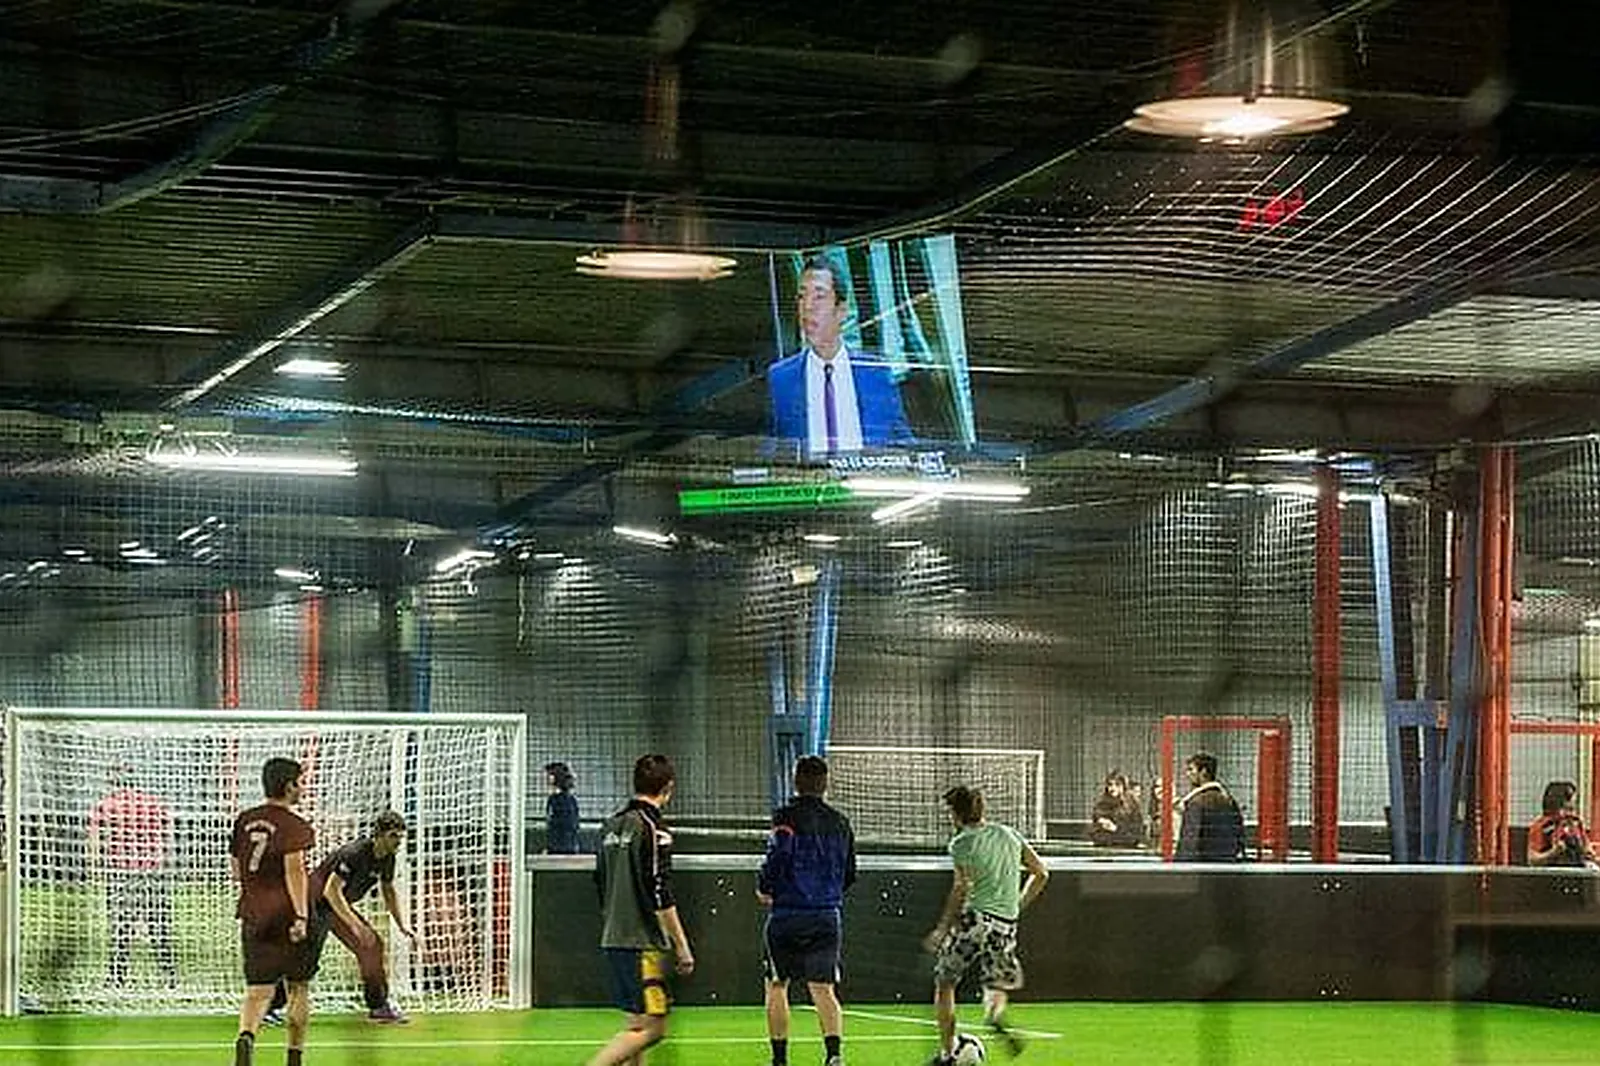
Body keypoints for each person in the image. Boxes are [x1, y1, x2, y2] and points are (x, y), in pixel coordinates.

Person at [924, 785, 1050, 1065]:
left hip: (975, 919)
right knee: (996, 983)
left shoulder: (961, 843)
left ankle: (947, 1054)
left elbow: (961, 887)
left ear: (955, 814)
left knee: (945, 982)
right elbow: (1041, 872)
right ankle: (994, 1015)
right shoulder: (1009, 834)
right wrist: (1017, 904)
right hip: (1005, 925)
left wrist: (943, 927)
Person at [586, 754, 695, 1066]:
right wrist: (682, 945)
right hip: (642, 942)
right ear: (668, 788)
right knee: (655, 1028)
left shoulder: (610, 826)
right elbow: (660, 890)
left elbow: (600, 883)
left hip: (613, 937)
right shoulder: (653, 828)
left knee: (636, 1026)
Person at [264, 811, 417, 1025]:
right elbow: (331, 891)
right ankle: (267, 1006)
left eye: (401, 837)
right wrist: (354, 924)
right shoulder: (354, 853)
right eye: (393, 836)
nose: (398, 842)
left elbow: (388, 889)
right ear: (379, 835)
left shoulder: (388, 858)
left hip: (337, 907)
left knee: (371, 946)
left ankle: (379, 1006)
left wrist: (402, 925)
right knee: (304, 960)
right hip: (314, 903)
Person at [757, 755, 857, 1066]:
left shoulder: (785, 818)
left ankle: (780, 1059)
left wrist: (765, 886)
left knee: (776, 984)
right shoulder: (841, 823)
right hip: (826, 914)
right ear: (825, 784)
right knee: (824, 988)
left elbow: (779, 855)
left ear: (796, 781)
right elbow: (850, 872)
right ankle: (833, 1055)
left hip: (787, 913)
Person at [767, 255, 914, 459]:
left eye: (819, 296)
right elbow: (771, 453)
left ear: (842, 310)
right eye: (802, 296)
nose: (807, 307)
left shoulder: (876, 373)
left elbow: (903, 445)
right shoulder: (781, 378)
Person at [230, 757, 316, 1066]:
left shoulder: (244, 819)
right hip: (287, 915)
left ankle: (246, 1037)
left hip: (254, 914)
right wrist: (302, 916)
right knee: (298, 987)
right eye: (300, 782)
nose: (302, 788)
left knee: (257, 991)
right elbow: (295, 872)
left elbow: (237, 868)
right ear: (289, 785)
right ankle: (294, 1057)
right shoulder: (295, 825)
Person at [87, 764, 178, 989]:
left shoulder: (106, 806)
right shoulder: (154, 804)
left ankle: (117, 977)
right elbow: (168, 837)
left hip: (121, 873)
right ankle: (169, 976)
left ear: (113, 782)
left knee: (120, 927)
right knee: (159, 926)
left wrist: (95, 869)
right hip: (152, 873)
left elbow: (95, 840)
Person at [1175, 752, 1245, 862]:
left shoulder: (1196, 802)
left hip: (1201, 868)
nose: (1187, 774)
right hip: (1226, 865)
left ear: (1203, 771)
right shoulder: (1228, 800)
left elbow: (1189, 844)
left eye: (1191, 769)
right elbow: (1239, 834)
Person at [1528, 780, 1598, 867]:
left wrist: (1590, 856)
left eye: (1572, 809)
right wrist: (1553, 853)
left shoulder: (1576, 823)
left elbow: (1588, 851)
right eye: (1566, 809)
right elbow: (1532, 860)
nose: (1570, 814)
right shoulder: (1542, 826)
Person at [1089, 770, 1147, 847]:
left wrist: (1116, 829)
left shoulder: (1132, 806)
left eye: (1117, 785)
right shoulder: (1101, 806)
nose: (1112, 788)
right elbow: (1094, 834)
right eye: (1110, 785)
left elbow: (1136, 834)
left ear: (1124, 787)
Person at [546, 761, 581, 854]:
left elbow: (569, 826)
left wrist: (555, 849)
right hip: (557, 848)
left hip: (563, 850)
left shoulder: (565, 800)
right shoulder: (554, 799)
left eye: (550, 774)